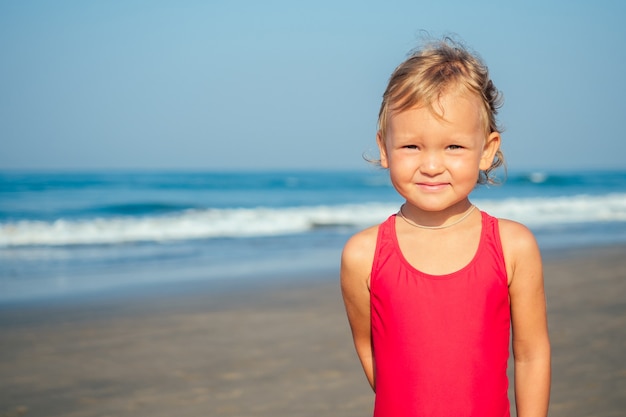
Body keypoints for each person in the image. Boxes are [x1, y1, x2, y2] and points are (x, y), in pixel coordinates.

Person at [340, 37, 551, 417]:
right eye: (411, 147)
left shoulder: (513, 245)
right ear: (385, 148)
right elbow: (373, 355)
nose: (432, 165)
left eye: (453, 147)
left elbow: (531, 354)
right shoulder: (363, 255)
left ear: (487, 150)